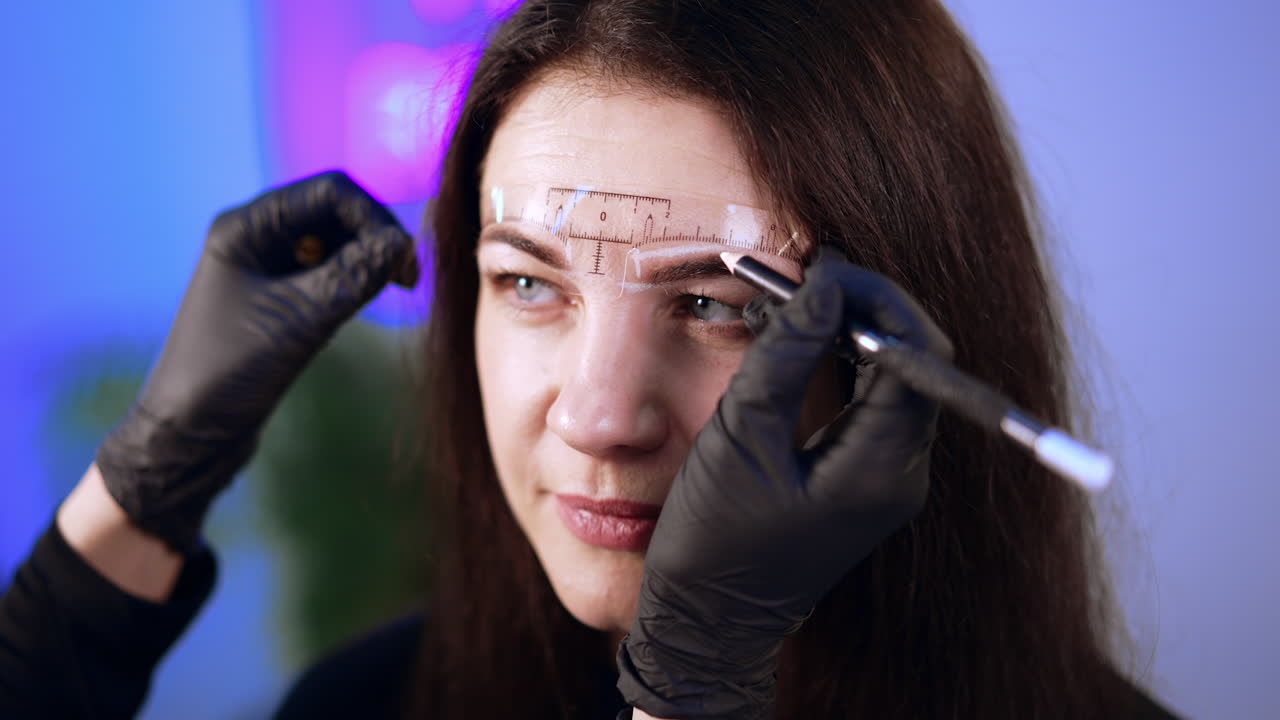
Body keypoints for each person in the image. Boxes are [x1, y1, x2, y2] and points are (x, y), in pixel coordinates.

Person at [0, 0, 1183, 718]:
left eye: (720, 306)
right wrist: (144, 485)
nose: (601, 417)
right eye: (527, 282)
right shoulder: (365, 706)